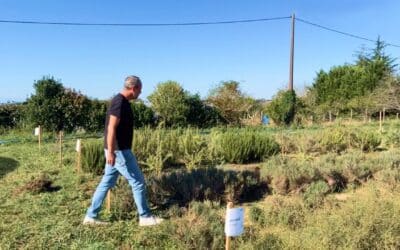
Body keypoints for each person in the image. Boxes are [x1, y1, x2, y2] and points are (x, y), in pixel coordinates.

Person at [83, 75, 163, 226]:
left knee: (107, 181)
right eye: (140, 90)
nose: (140, 93)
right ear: (134, 88)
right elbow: (111, 128)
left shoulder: (122, 102)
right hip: (119, 151)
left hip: (116, 150)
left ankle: (91, 217)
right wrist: (112, 152)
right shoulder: (119, 102)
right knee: (138, 182)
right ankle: (145, 217)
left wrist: (110, 151)